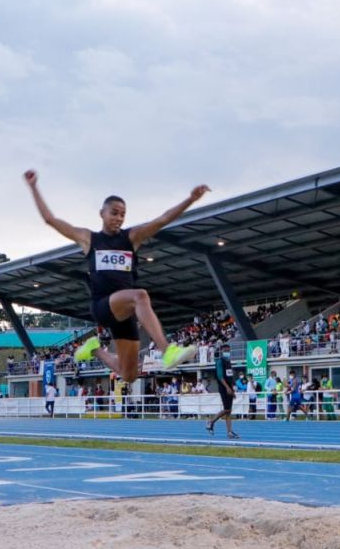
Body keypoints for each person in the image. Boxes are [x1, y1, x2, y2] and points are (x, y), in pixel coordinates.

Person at [23, 169, 203, 391]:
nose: (118, 218)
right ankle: (167, 350)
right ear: (102, 213)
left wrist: (191, 199)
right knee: (141, 295)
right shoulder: (89, 238)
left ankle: (95, 348)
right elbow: (50, 219)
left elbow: (163, 219)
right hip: (103, 306)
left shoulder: (131, 238)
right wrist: (33, 187)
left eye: (122, 214)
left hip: (124, 312)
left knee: (129, 375)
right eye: (114, 213)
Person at [206, 344, 239, 438]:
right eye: (225, 350)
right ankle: (211, 421)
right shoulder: (220, 361)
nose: (227, 352)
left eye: (228, 350)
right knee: (227, 409)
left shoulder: (229, 362)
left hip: (229, 388)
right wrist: (227, 388)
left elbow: (230, 376)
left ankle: (229, 432)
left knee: (229, 411)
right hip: (224, 388)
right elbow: (220, 376)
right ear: (221, 351)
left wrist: (232, 388)